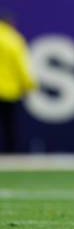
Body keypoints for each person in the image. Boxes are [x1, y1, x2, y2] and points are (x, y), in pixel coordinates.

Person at [0, 13, 36, 152]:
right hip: (9, 90)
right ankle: (10, 153)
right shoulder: (13, 39)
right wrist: (28, 85)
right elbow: (20, 65)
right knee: (9, 126)